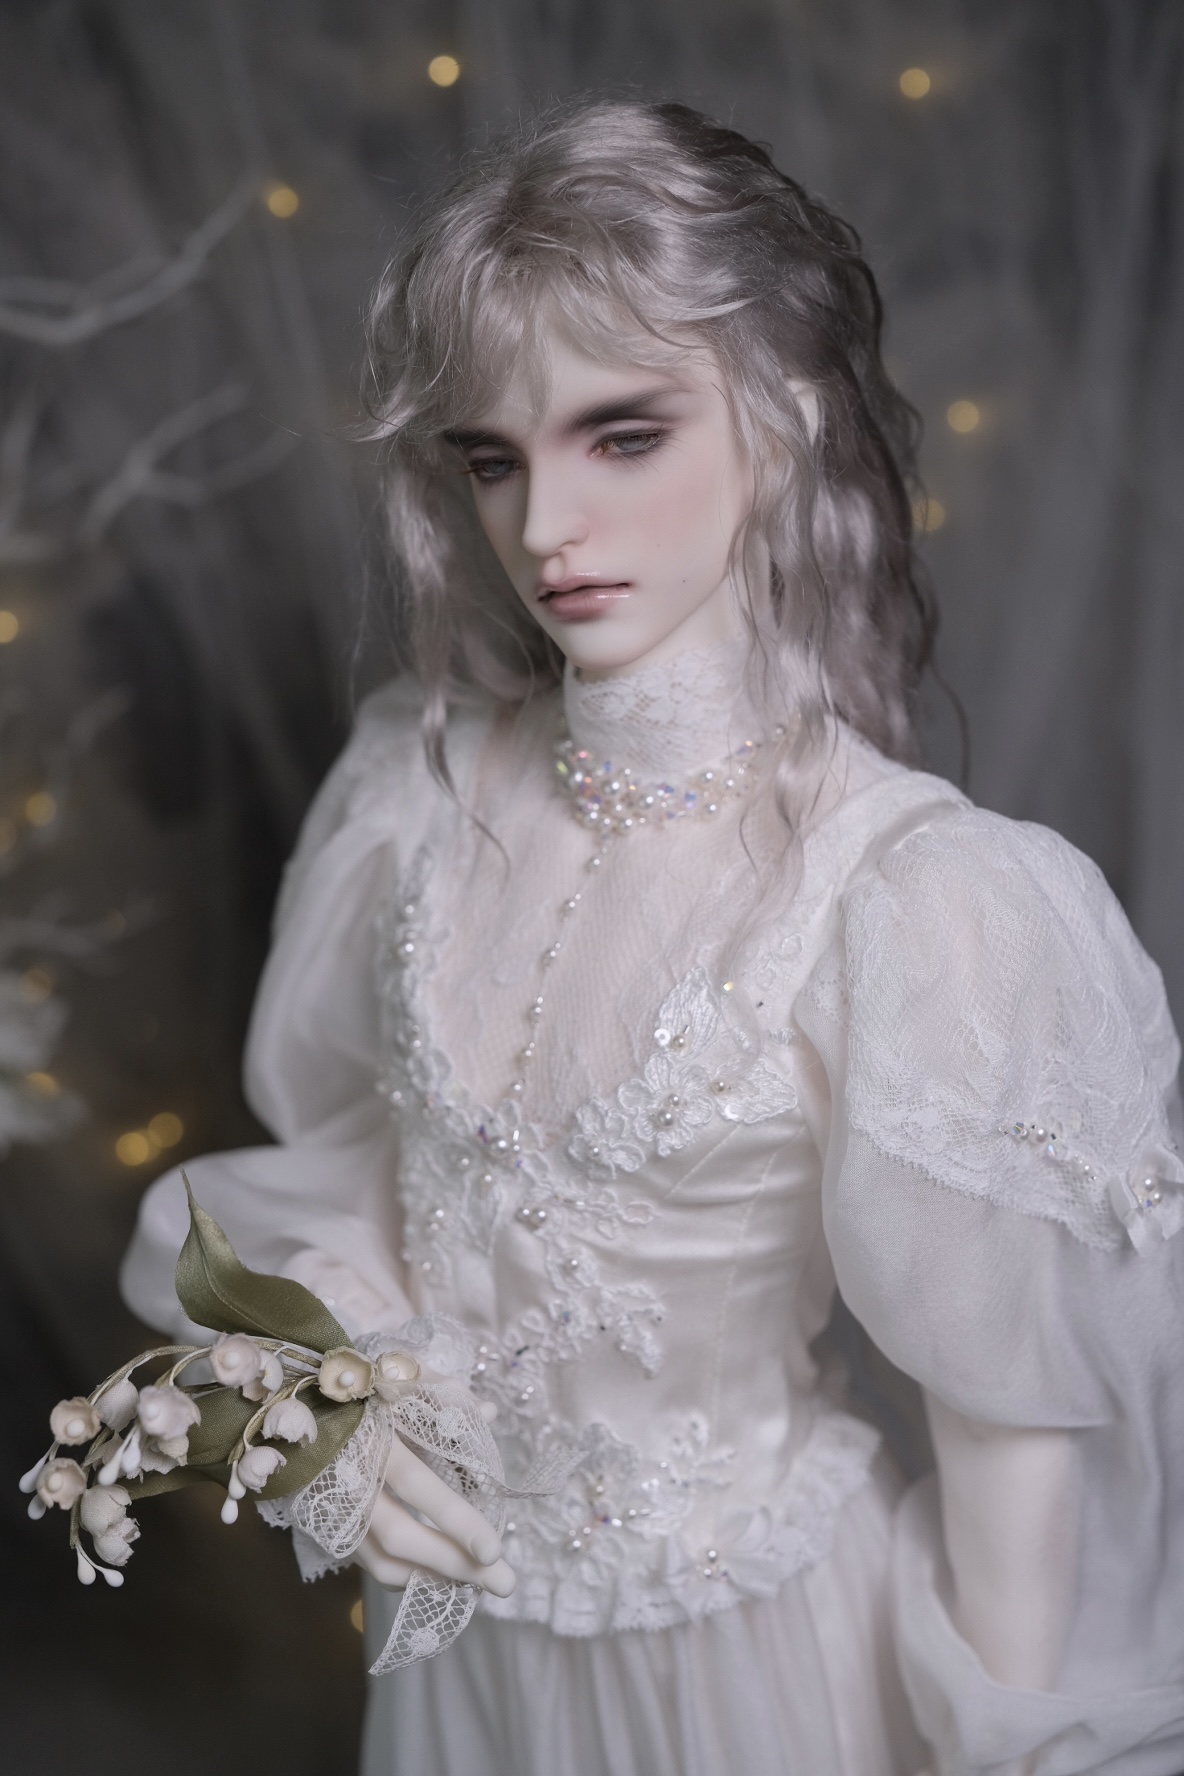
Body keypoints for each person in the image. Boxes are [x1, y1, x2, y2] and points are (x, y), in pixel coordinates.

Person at [121, 99, 1184, 1776]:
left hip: (752, 1668)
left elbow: (1018, 1437)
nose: (546, 525)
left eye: (622, 435)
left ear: (783, 419)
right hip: (461, 1660)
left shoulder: (920, 898)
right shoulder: (412, 790)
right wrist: (327, 1393)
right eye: (492, 458)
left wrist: (1017, 1750)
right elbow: (346, 1181)